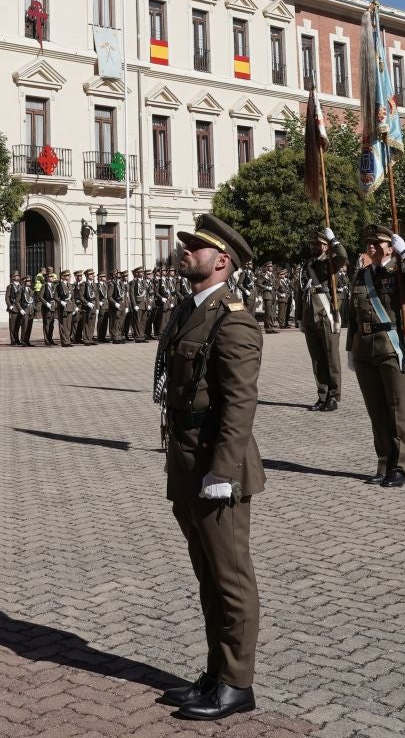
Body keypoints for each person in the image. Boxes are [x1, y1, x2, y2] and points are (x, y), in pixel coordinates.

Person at [153, 212, 263, 723]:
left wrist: (221, 471)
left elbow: (239, 403)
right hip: (186, 460)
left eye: (195, 247)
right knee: (206, 575)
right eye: (185, 245)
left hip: (217, 469)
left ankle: (238, 683)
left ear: (222, 261)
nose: (184, 251)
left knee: (230, 577)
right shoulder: (186, 309)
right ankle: (216, 670)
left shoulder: (233, 317)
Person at [348, 224, 405, 487]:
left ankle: (401, 466)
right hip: (365, 349)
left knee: (399, 410)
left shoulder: (399, 270)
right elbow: (353, 315)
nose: (371, 245)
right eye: (368, 241)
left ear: (389, 245)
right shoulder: (361, 275)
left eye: (377, 242)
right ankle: (384, 462)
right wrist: (351, 348)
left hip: (392, 347)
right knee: (377, 411)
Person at [303, 228, 347, 412]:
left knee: (331, 357)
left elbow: (342, 257)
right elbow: (302, 291)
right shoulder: (308, 263)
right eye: (312, 244)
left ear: (324, 246)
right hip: (310, 315)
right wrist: (300, 319)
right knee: (317, 359)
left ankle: (333, 396)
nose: (313, 246)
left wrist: (334, 240)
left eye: (317, 244)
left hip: (326, 314)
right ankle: (322, 394)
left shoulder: (331, 262)